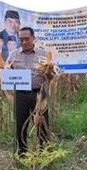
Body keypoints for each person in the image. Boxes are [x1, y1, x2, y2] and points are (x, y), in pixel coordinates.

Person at [6, 27, 54, 155]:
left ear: (33, 38)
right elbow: (6, 72)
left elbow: (51, 78)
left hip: (39, 93)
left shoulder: (43, 54)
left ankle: (44, 153)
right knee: (20, 125)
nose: (24, 42)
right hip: (21, 94)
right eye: (21, 39)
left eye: (27, 39)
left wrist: (49, 72)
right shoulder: (13, 55)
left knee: (42, 125)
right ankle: (22, 153)